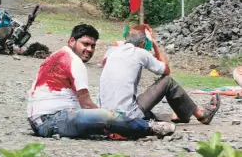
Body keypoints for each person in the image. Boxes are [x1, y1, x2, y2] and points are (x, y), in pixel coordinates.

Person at [26, 24, 176, 140]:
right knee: (106, 116)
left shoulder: (57, 56)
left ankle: (127, 125)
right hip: (51, 121)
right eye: (85, 44)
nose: (89, 49)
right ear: (72, 41)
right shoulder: (73, 61)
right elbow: (86, 104)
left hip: (40, 120)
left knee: (101, 118)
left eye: (92, 46)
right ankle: (149, 128)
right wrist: (108, 116)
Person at [98, 24, 221, 125]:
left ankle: (175, 117)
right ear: (142, 44)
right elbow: (166, 70)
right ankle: (200, 114)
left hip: (104, 114)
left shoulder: (111, 52)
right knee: (167, 81)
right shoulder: (140, 53)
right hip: (126, 115)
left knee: (134, 105)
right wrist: (155, 44)